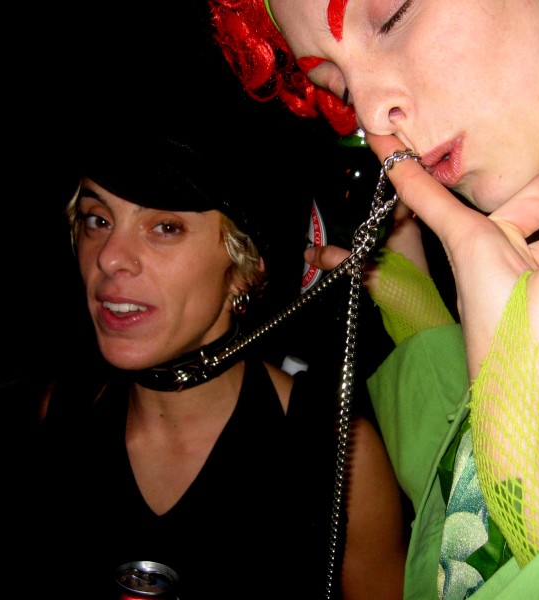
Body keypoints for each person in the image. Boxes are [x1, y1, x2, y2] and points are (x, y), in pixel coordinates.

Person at [207, 0, 539, 598]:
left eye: (392, 15)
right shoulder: (537, 262)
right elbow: (463, 542)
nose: (370, 113)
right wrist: (419, 320)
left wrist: (534, 453)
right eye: (339, 83)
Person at [27, 133, 408, 599]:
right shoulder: (64, 411)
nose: (109, 257)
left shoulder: (338, 453)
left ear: (242, 266)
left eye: (165, 227)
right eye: (97, 219)